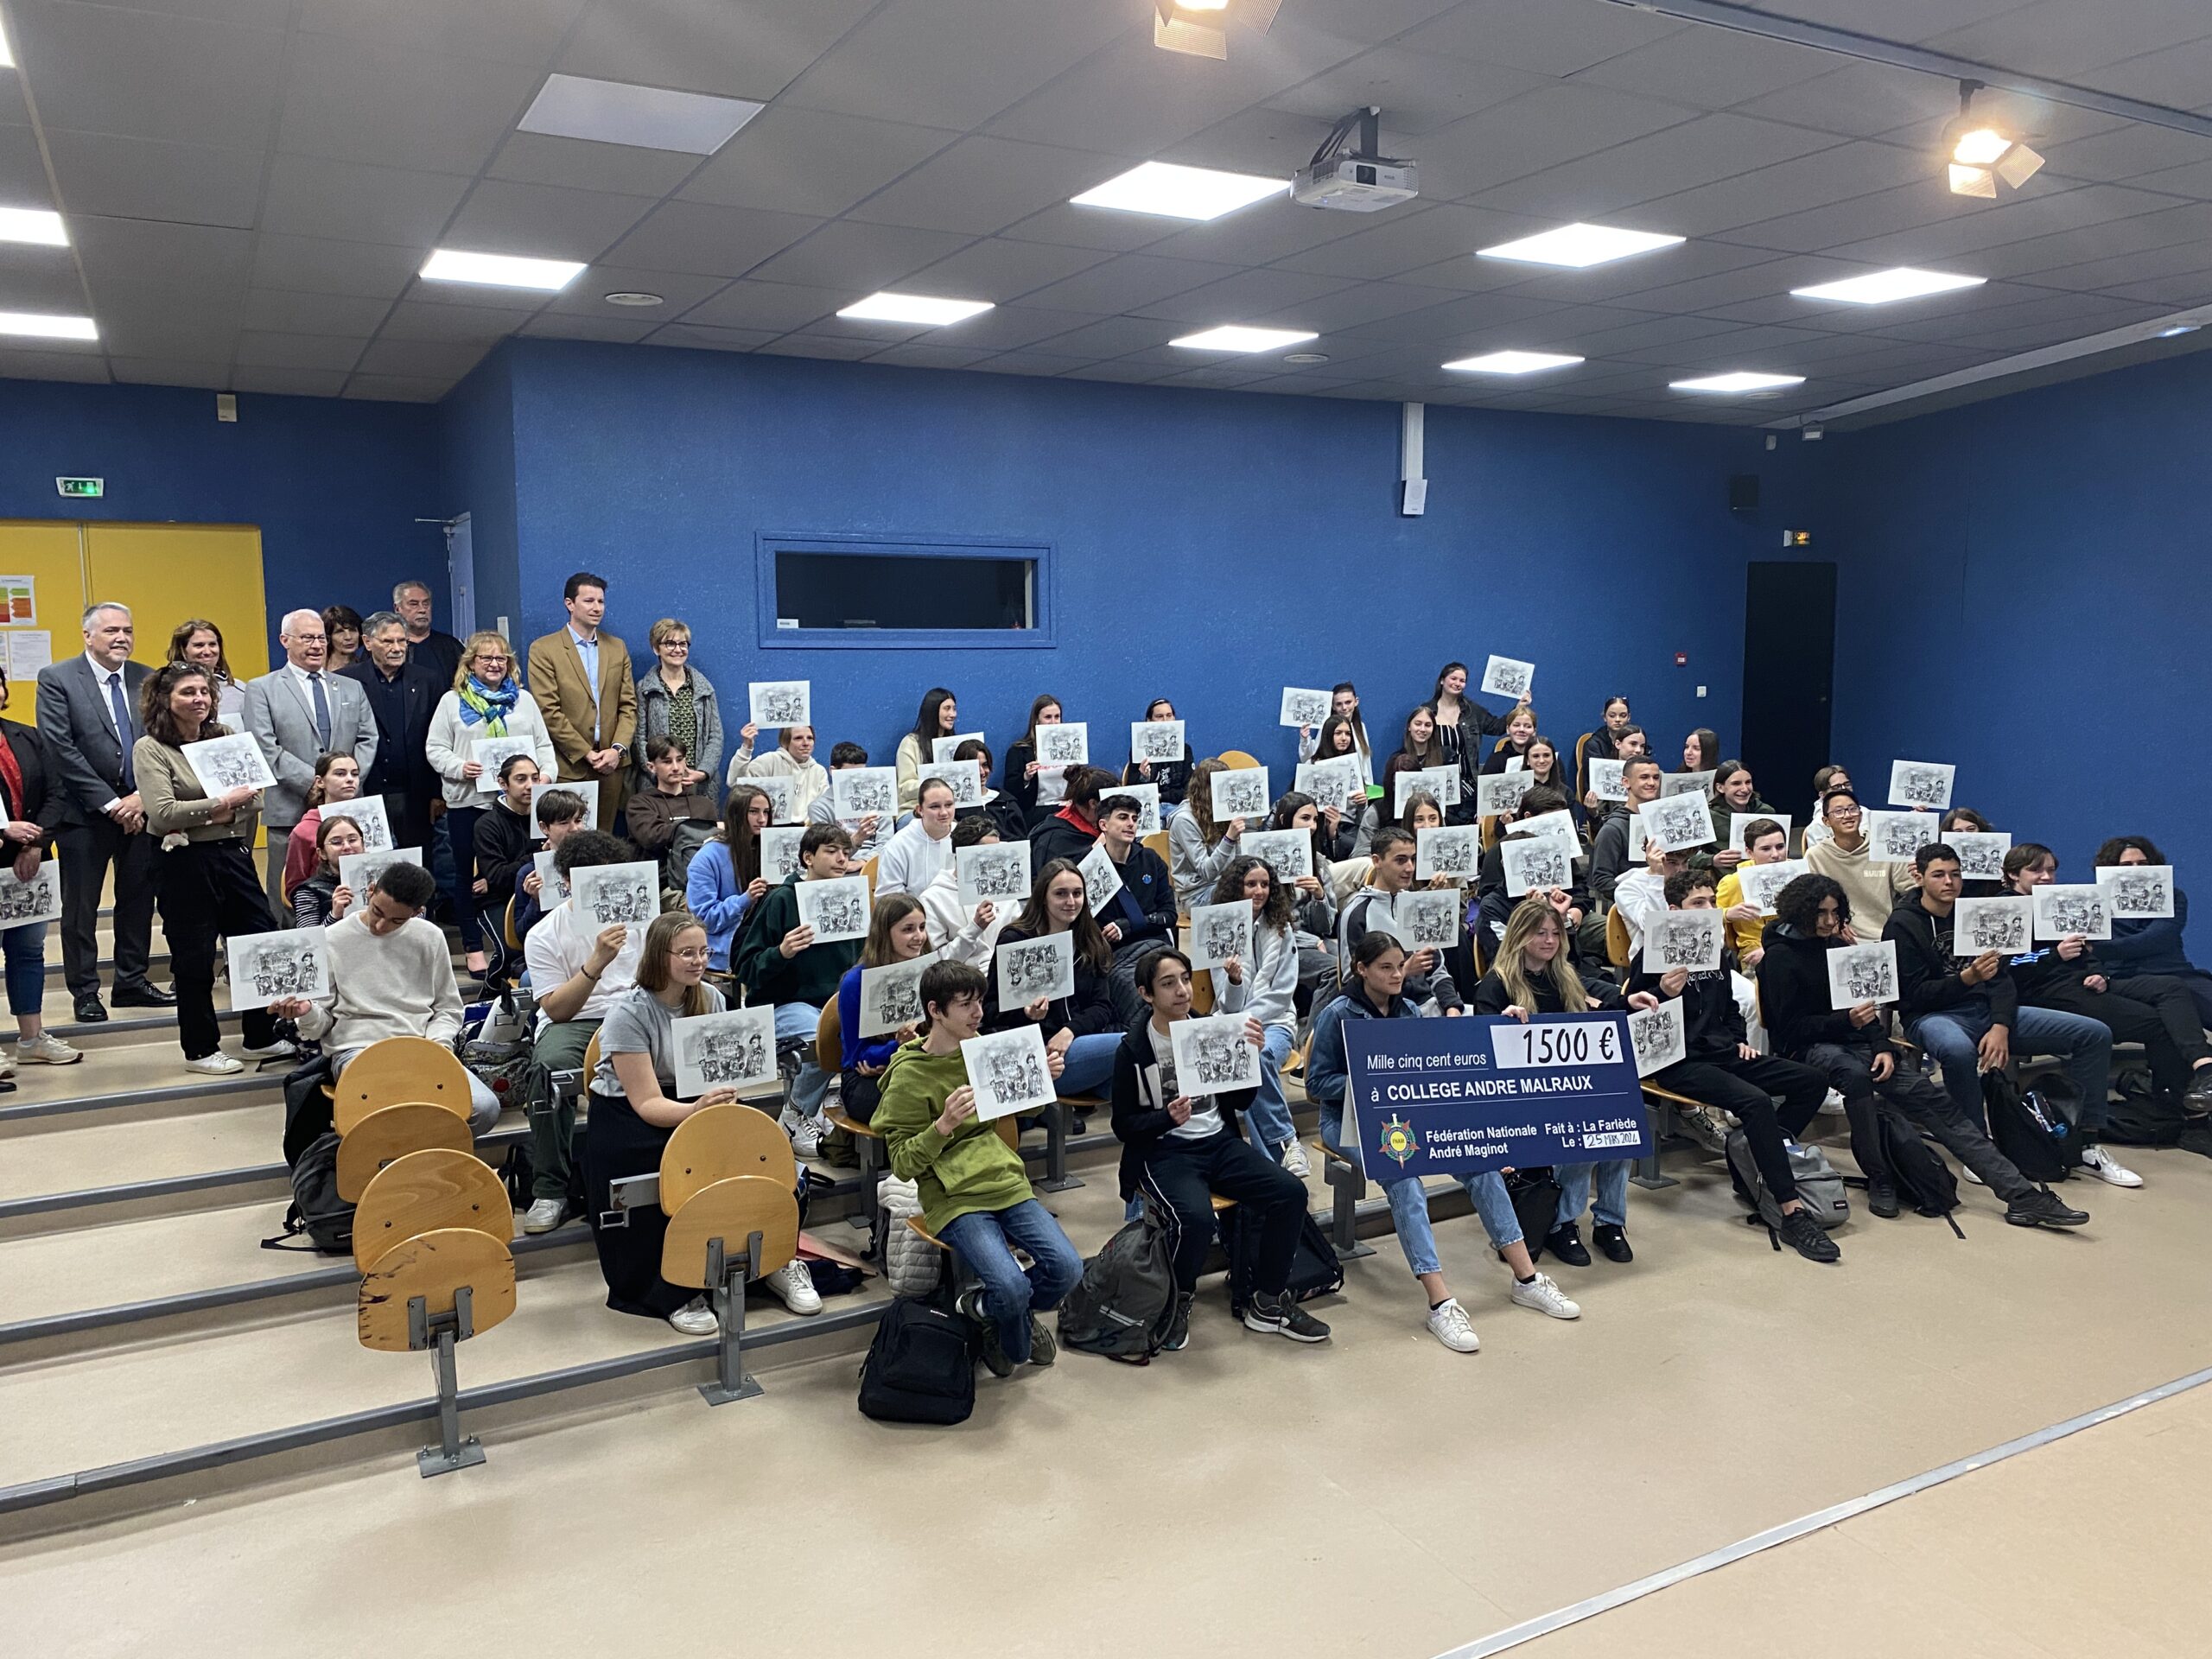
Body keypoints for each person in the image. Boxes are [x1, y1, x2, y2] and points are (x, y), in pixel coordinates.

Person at [1764, 870, 2087, 1230]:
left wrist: (1881, 1044)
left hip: (1855, 1040)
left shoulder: (1838, 948)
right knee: (1856, 1078)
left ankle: (2021, 1195)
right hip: (1808, 1046)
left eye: (1834, 912)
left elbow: (1864, 1007)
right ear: (1800, 912)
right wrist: (1847, 1022)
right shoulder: (1779, 959)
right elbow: (1787, 1029)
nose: (1829, 921)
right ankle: (1880, 1178)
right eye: (1820, 913)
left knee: (1931, 1098)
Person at [1310, 931, 1581, 1352]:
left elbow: (1435, 1065)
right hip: (1347, 1121)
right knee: (1404, 1178)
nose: (1396, 974)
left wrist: (1499, 1025)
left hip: (1410, 1117)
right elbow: (1315, 1084)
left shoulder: (1410, 1011)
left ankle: (1527, 1279)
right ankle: (1440, 1302)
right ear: (1361, 969)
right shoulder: (1338, 1014)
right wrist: (1366, 1083)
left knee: (1482, 1166)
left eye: (1400, 966)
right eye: (1385, 967)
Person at [581, 910, 821, 1333]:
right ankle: (672, 1288)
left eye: (704, 952)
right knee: (672, 1172)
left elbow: (721, 1073)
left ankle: (771, 1261)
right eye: (687, 953)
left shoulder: (711, 998)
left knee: (766, 1156)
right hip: (627, 1115)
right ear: (661, 956)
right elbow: (647, 1103)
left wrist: (721, 1102)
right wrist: (698, 1112)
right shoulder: (629, 1013)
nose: (699, 961)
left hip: (694, 1100)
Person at [874, 960, 1083, 1376]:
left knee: (1067, 1270)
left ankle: (985, 1309)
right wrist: (943, 1126)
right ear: (935, 1011)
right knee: (1012, 1296)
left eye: (980, 1002)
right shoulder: (908, 1077)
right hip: (954, 1198)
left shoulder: (983, 1050)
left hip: (1003, 1180)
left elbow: (1027, 1111)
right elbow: (902, 1163)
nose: (978, 1013)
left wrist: (1042, 1079)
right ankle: (1011, 1322)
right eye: (966, 1004)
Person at [1116, 945, 1327, 1348]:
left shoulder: (1210, 1030)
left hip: (1218, 1143)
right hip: (1166, 1150)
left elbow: (1242, 1102)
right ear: (1146, 994)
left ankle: (1268, 1302)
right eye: (1168, 984)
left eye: (1184, 979)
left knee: (1290, 1193)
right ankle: (1177, 1300)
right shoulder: (1134, 1048)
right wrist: (1165, 1119)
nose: (1182, 990)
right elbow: (1122, 1125)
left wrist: (1250, 1057)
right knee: (1196, 1219)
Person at [1885, 843, 2128, 1187]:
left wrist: (2000, 1024)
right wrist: (1967, 979)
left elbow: (2002, 979)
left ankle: (2085, 1143)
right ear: (1920, 878)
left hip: (1987, 1011)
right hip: (1932, 1016)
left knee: (2094, 1034)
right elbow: (1912, 996)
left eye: (1955, 874)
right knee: (1957, 1050)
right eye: (1938, 875)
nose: (1949, 882)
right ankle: (1977, 1147)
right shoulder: (1903, 924)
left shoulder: (1979, 912)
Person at [1630, 868, 1840, 1262]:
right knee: (1756, 1102)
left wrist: (1739, 1040)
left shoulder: (1715, 950)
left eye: (1712, 901)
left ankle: (1752, 1158)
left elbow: (1729, 1008)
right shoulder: (1652, 954)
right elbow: (1637, 1019)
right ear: (1674, 910)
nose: (1708, 908)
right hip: (1676, 1061)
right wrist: (1662, 992)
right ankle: (1790, 1210)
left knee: (1811, 1081)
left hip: (1722, 1051)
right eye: (1697, 902)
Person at [1472, 899, 1656, 1264]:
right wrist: (1503, 1021)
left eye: (1555, 933)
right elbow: (1481, 1046)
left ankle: (1610, 1221)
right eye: (1540, 933)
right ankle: (1562, 1223)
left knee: (1621, 1129)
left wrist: (1626, 999)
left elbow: (1599, 992)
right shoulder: (1496, 983)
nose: (1549, 940)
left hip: (1570, 1084)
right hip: (1525, 1095)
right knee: (1582, 1137)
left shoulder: (1563, 975)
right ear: (1519, 935)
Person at [133, 663, 289, 1074]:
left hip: (231, 854)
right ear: (165, 700)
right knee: (195, 955)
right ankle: (200, 1049)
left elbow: (256, 799)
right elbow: (163, 813)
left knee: (258, 941)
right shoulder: (151, 748)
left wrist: (211, 813)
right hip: (182, 862)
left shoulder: (224, 736)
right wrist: (221, 805)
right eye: (188, 692)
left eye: (204, 691)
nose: (199, 699)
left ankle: (261, 1036)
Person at [2003, 842, 2212, 1138]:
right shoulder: (2006, 906)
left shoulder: (2055, 902)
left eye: (2050, 870)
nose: (2046, 877)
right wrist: (2056, 955)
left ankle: (2197, 1086)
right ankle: (2187, 1110)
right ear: (2013, 874)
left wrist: (2097, 973)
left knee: (2169, 996)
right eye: (2036, 871)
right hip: (2045, 992)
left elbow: (2087, 952)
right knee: (2159, 1021)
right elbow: (2005, 965)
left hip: (2083, 983)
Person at [270, 860, 499, 1129]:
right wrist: (307, 1012)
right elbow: (322, 1026)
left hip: (421, 1046)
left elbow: (447, 1008)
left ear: (417, 913)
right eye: (377, 911)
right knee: (392, 1104)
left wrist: (438, 1045)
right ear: (371, 890)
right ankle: (405, 1151)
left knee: (484, 1107)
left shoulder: (430, 937)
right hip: (357, 1050)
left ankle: (417, 1152)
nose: (380, 925)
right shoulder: (332, 939)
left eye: (396, 921)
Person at [39, 603, 172, 1023]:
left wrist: (141, 797)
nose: (121, 638)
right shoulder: (57, 678)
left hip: (141, 809)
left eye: (127, 630)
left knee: (138, 900)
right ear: (87, 635)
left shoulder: (147, 678)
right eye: (112, 630)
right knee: (81, 908)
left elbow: (164, 740)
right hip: (83, 814)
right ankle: (84, 991)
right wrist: (112, 803)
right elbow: (60, 748)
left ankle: (131, 981)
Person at [520, 830, 646, 1231]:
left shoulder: (642, 918)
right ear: (568, 881)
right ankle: (550, 1189)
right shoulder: (544, 933)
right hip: (578, 1020)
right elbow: (557, 1009)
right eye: (591, 877)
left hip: (637, 1011)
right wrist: (596, 963)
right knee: (548, 1070)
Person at [426, 630, 556, 980]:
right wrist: (459, 767)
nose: (495, 664)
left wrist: (545, 775)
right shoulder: (452, 702)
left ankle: (519, 943)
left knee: (525, 867)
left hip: (521, 804)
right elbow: (435, 748)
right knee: (465, 875)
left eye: (501, 658)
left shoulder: (523, 701)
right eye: (486, 658)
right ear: (471, 663)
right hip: (469, 801)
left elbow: (544, 746)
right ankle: (472, 947)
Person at [732, 821, 861, 1157]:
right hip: (783, 1005)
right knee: (824, 1038)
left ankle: (826, 1109)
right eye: (831, 851)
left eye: (845, 852)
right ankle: (795, 1115)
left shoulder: (852, 898)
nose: (841, 859)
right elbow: (746, 968)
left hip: (835, 1002)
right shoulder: (781, 900)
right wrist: (781, 952)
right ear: (808, 858)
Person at [243, 608, 378, 918]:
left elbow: (368, 738)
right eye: (307, 638)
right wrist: (318, 784)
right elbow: (264, 748)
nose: (317, 645)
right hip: (289, 811)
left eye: (320, 638)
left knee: (354, 897)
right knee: (289, 901)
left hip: (347, 813)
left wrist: (346, 781)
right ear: (285, 641)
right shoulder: (262, 689)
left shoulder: (350, 687)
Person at [1204, 855, 1309, 1175]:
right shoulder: (1219, 929)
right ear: (1237, 887)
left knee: (1255, 1057)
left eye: (1264, 884)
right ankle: (1279, 1156)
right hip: (1231, 1021)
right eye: (1251, 884)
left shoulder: (1282, 929)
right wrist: (1235, 982)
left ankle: (1286, 1141)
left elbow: (1282, 994)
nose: (1259, 891)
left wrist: (1244, 1022)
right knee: (1241, 1061)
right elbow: (1227, 1004)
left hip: (1276, 1023)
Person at [988, 858, 1122, 1100]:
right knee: (1132, 1045)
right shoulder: (1014, 940)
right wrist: (1025, 1013)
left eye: (1077, 893)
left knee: (1134, 1081)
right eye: (1061, 894)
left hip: (1078, 1041)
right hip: (1035, 1053)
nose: (1071, 901)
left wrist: (1070, 1030)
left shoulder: (1091, 939)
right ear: (1043, 897)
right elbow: (988, 1010)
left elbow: (1102, 1007)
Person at [0, 664, 79, 1066]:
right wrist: (3, 830)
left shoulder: (25, 736)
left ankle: (32, 1039)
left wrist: (35, 842)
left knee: (28, 953)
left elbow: (57, 792)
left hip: (30, 863)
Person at [527, 570, 637, 823]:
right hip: (569, 765)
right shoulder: (544, 649)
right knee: (566, 838)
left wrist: (617, 750)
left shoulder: (617, 647)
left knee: (603, 840)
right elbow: (548, 711)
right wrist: (586, 752)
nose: (597, 608)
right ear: (570, 604)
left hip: (611, 766)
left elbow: (628, 706)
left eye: (601, 601)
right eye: (589, 601)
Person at [338, 609, 442, 858]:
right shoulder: (346, 681)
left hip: (416, 794)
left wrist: (437, 793)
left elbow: (438, 738)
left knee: (417, 864)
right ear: (367, 642)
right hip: (366, 790)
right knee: (371, 862)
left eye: (402, 641)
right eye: (388, 641)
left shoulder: (428, 680)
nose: (397, 648)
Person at [1338, 827, 1465, 1014]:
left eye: (1413, 859)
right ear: (1377, 861)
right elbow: (1353, 983)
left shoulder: (1418, 904)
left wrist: (1452, 1007)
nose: (1410, 868)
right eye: (1400, 860)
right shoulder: (1356, 913)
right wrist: (1404, 971)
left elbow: (1438, 969)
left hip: (1429, 1005)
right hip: (1383, 1013)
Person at [2094, 835, 2212, 1025]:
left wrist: (2098, 949)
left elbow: (2158, 939)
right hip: (2124, 977)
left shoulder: (2173, 896)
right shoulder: (2096, 902)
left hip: (2175, 972)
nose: (2136, 870)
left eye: (2142, 863)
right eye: (2126, 865)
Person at [835, 893, 931, 1125]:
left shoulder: (930, 970)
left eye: (922, 927)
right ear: (885, 933)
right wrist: (896, 1047)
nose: (919, 937)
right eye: (908, 929)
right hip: (865, 1079)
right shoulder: (855, 982)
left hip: (922, 1065)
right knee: (915, 1101)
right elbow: (857, 1058)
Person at [1086, 791, 1176, 1022]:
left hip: (1154, 944)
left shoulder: (1151, 859)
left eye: (1135, 819)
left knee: (1175, 980)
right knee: (1136, 990)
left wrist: (1129, 925)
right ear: (1103, 825)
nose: (1131, 824)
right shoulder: (1090, 867)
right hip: (1115, 954)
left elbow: (1170, 915)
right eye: (1123, 817)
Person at [1263, 791, 1344, 1014]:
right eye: (1305, 818)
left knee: (1353, 966)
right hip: (1279, 943)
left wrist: (1319, 897)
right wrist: (1310, 940)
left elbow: (1325, 926)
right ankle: (1315, 1033)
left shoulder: (1318, 862)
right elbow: (1267, 923)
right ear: (1284, 820)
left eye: (1315, 820)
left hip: (1313, 939)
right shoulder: (1262, 863)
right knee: (1333, 971)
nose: (1312, 826)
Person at [632, 618, 726, 793]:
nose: (678, 649)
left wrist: (703, 772)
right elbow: (639, 739)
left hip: (698, 784)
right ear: (656, 648)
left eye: (683, 644)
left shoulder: (704, 688)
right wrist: (659, 773)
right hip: (658, 784)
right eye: (670, 643)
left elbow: (715, 736)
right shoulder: (644, 689)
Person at [1804, 785, 1915, 931]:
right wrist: (1834, 923)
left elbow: (1910, 890)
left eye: (1853, 809)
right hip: (1837, 933)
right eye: (1838, 812)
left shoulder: (1884, 848)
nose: (1848, 815)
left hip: (1886, 932)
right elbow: (1810, 901)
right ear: (1826, 821)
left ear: (1861, 815)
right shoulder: (1815, 856)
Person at [686, 785, 768, 976]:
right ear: (737, 814)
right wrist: (744, 900)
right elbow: (704, 920)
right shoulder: (707, 858)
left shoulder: (770, 850)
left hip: (768, 933)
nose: (762, 819)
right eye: (753, 812)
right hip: (728, 942)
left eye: (766, 812)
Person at [623, 737, 718, 893]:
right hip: (660, 886)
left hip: (701, 882)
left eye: (679, 760)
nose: (675, 767)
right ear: (651, 767)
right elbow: (652, 837)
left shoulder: (704, 805)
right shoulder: (640, 804)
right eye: (667, 762)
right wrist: (700, 828)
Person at [472, 753, 543, 959]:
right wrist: (540, 855)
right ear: (503, 784)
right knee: (511, 953)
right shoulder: (487, 824)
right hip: (499, 899)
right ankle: (496, 981)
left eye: (535, 778)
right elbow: (499, 877)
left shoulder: (547, 814)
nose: (530, 785)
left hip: (542, 894)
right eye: (521, 779)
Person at [918, 816, 1010, 969]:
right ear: (964, 857)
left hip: (1003, 971)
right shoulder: (932, 899)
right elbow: (937, 963)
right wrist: (974, 928)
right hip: (964, 979)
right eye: (988, 855)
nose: (996, 862)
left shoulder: (1005, 890)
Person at [278, 753, 364, 905]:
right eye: (340, 774)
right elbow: (294, 886)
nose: (350, 779)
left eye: (355, 774)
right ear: (320, 782)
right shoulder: (304, 830)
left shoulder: (373, 821)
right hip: (323, 906)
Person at [1427, 661, 1513, 812]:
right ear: (1442, 680)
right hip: (1438, 786)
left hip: (1469, 786)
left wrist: (1519, 708)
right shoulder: (1427, 712)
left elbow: (1497, 727)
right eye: (1453, 678)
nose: (1457, 683)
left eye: (1462, 680)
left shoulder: (1472, 711)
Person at [512, 786, 588, 945]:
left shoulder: (598, 863)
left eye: (578, 821)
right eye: (564, 823)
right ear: (544, 827)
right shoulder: (530, 873)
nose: (574, 829)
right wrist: (537, 902)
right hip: (552, 947)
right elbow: (521, 936)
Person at [1713, 816, 1790, 969]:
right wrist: (1727, 914)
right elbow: (1704, 920)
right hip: (1754, 952)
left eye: (1780, 847)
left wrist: (1772, 949)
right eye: (1766, 849)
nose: (1776, 855)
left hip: (1795, 945)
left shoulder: (1799, 873)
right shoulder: (1733, 883)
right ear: (1750, 853)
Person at [1169, 758, 1244, 914]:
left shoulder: (1221, 811)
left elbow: (1238, 862)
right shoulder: (1183, 820)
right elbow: (1207, 872)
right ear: (1208, 789)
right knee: (1249, 895)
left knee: (1261, 885)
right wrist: (1229, 838)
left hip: (1224, 883)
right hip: (1197, 895)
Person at [1589, 754, 1663, 905]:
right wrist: (1631, 900)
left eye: (1656, 778)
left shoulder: (1663, 822)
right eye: (1644, 777)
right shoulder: (1612, 829)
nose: (1651, 783)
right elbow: (1602, 879)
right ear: (1625, 782)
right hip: (1630, 906)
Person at [807, 741, 893, 863]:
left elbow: (887, 843)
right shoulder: (819, 808)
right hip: (839, 864)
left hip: (876, 861)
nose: (856, 780)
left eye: (861, 774)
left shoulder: (877, 798)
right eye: (849, 774)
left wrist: (864, 862)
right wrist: (857, 839)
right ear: (833, 771)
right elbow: (828, 852)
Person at [874, 774, 957, 896]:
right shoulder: (897, 846)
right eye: (935, 807)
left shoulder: (967, 838)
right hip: (916, 908)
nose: (944, 812)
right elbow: (889, 898)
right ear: (920, 810)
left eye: (949, 805)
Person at [1027, 765, 1115, 868]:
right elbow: (1058, 874)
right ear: (1093, 804)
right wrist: (1096, 849)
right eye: (1112, 805)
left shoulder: (1098, 824)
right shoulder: (1052, 840)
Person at [1003, 693, 1068, 831]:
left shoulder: (1070, 747)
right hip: (1037, 813)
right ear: (1036, 720)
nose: (1053, 722)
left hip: (1068, 810)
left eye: (1057, 717)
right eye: (1048, 717)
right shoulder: (1019, 751)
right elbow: (1010, 792)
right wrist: (1026, 778)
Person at [292, 812, 365, 930]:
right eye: (336, 842)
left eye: (352, 840)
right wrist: (335, 915)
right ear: (322, 853)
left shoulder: (380, 881)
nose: (347, 847)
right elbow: (310, 938)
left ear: (363, 845)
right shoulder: (309, 891)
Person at [1703, 761, 1779, 874]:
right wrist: (1712, 860)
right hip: (1726, 879)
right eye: (1736, 784)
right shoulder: (1709, 817)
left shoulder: (1766, 812)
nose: (1744, 789)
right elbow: (1688, 856)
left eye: (1748, 782)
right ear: (1720, 788)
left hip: (1766, 874)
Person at [893, 687, 959, 816]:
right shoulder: (911, 743)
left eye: (954, 709)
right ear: (933, 711)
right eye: (947, 709)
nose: (953, 714)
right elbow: (905, 788)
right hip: (914, 810)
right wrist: (938, 785)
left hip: (950, 809)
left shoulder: (955, 744)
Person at [168, 618, 246, 725]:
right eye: (199, 645)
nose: (207, 651)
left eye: (212, 644)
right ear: (183, 650)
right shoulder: (166, 689)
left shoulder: (240, 690)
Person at [737, 724, 829, 817]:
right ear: (785, 742)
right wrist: (746, 747)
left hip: (809, 825)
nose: (806, 743)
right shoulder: (770, 761)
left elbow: (824, 808)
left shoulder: (819, 771)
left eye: (810, 738)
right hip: (771, 824)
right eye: (798, 738)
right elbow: (738, 784)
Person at [1297, 683, 1374, 789]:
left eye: (1348, 702)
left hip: (1357, 787)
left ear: (1356, 702)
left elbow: (1365, 761)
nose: (1344, 707)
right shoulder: (1326, 727)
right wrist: (1305, 740)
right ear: (1333, 706)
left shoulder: (1361, 727)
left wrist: (1368, 784)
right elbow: (1312, 757)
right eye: (1339, 704)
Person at [949, 738, 1026, 843]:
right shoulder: (951, 808)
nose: (982, 772)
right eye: (974, 767)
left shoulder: (1007, 804)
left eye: (985, 765)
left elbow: (1021, 842)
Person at [392, 578, 463, 689]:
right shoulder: (386, 647)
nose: (422, 610)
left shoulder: (451, 646)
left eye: (426, 604)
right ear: (397, 609)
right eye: (414, 604)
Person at [1125, 696, 1193, 809]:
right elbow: (1132, 790)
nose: (1165, 721)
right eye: (1159, 716)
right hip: (1150, 806)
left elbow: (1189, 790)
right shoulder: (1139, 751)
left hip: (1178, 807)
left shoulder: (1185, 750)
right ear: (1149, 720)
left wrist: (1161, 796)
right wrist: (1144, 778)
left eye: (1169, 715)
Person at [1576, 696, 1633, 811]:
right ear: (1604, 717)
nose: (1617, 719)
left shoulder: (1635, 741)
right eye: (1612, 715)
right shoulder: (1593, 744)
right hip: (1603, 796)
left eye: (1623, 715)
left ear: (1629, 717)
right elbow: (1595, 780)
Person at [1382, 703, 1448, 802]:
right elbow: (1389, 797)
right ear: (1409, 727)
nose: (1422, 729)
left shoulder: (1446, 757)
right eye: (1418, 724)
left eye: (1428, 725)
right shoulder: (1396, 760)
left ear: (1433, 729)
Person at [1479, 703, 1539, 772]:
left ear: (1534, 732)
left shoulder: (1542, 759)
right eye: (1516, 725)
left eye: (1527, 726)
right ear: (1508, 729)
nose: (1521, 729)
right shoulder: (1496, 761)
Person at [321, 605, 364, 671]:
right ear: (327, 637)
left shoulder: (365, 671)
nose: (348, 637)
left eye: (352, 630)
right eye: (340, 632)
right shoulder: (314, 668)